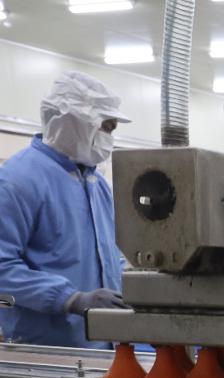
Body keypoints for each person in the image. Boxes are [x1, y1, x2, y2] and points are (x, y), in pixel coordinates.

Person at [0, 71, 130, 349]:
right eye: (105, 126)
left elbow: (109, 257)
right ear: (73, 122)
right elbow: (2, 269)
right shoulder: (17, 181)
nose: (109, 137)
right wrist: (70, 299)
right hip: (47, 353)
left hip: (106, 348)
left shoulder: (96, 184)